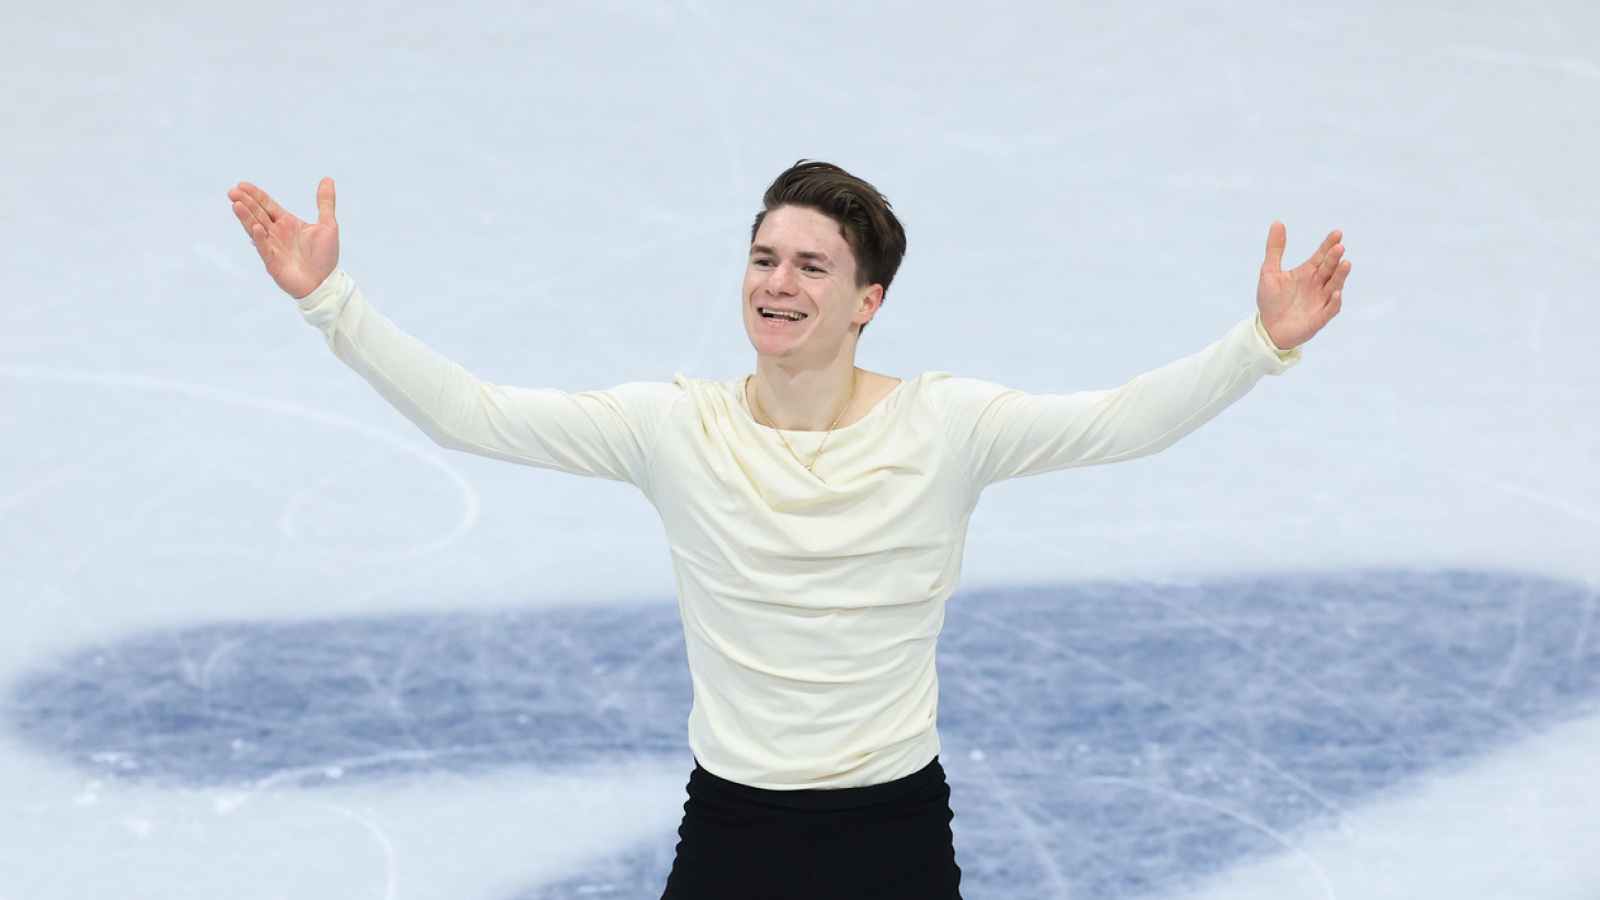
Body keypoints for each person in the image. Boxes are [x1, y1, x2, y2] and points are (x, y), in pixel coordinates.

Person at [227, 161, 1348, 900]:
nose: (778, 282)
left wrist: (1260, 342)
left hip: (892, 831)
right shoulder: (672, 428)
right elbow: (468, 414)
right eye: (764, 258)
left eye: (812, 266)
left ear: (866, 301)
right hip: (735, 830)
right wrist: (331, 304)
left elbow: (1119, 425)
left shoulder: (946, 425)